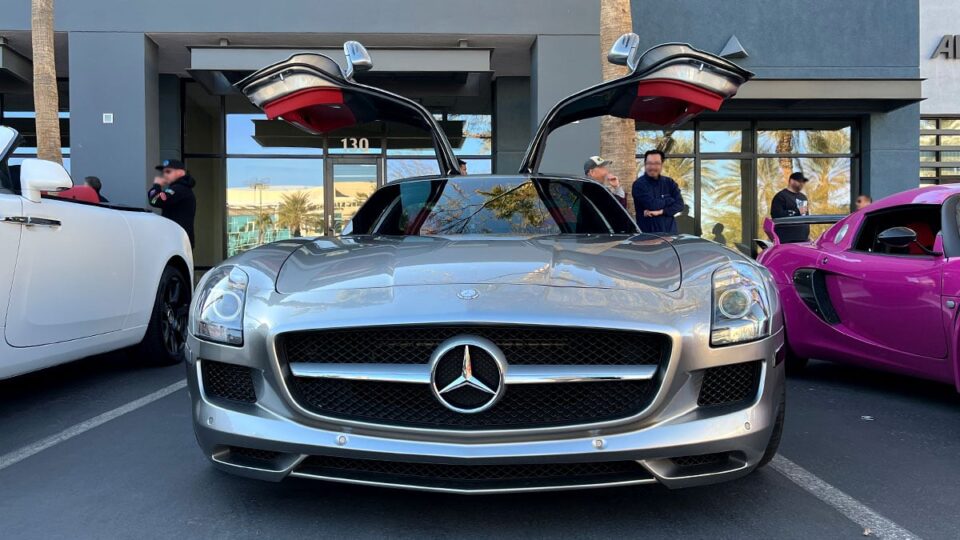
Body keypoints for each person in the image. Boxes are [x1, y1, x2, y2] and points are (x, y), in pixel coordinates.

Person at [148, 159, 197, 247]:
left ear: (180, 173)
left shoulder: (179, 189)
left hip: (177, 241)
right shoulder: (180, 188)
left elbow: (155, 200)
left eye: (168, 171)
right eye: (164, 172)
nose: (165, 175)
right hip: (177, 239)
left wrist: (157, 185)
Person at [632, 149, 683, 233]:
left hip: (670, 235)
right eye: (649, 163)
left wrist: (661, 212)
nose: (652, 167)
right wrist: (670, 200)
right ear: (645, 164)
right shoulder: (639, 184)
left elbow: (680, 205)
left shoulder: (669, 183)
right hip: (647, 238)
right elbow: (652, 205)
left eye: (656, 163)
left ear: (661, 165)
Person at [771, 171, 810, 243]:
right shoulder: (781, 196)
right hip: (786, 241)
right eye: (800, 181)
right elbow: (776, 216)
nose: (802, 184)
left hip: (804, 240)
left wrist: (808, 236)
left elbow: (805, 217)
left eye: (803, 182)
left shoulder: (803, 197)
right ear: (792, 181)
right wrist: (797, 211)